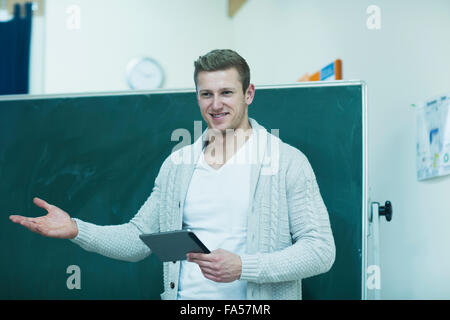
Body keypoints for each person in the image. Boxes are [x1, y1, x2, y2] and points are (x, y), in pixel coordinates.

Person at [9, 49, 335, 300]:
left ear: (248, 94)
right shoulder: (178, 165)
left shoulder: (285, 161)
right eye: (206, 94)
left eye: (227, 92)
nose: (216, 104)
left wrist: (244, 267)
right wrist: (76, 229)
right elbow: (139, 239)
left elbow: (320, 250)